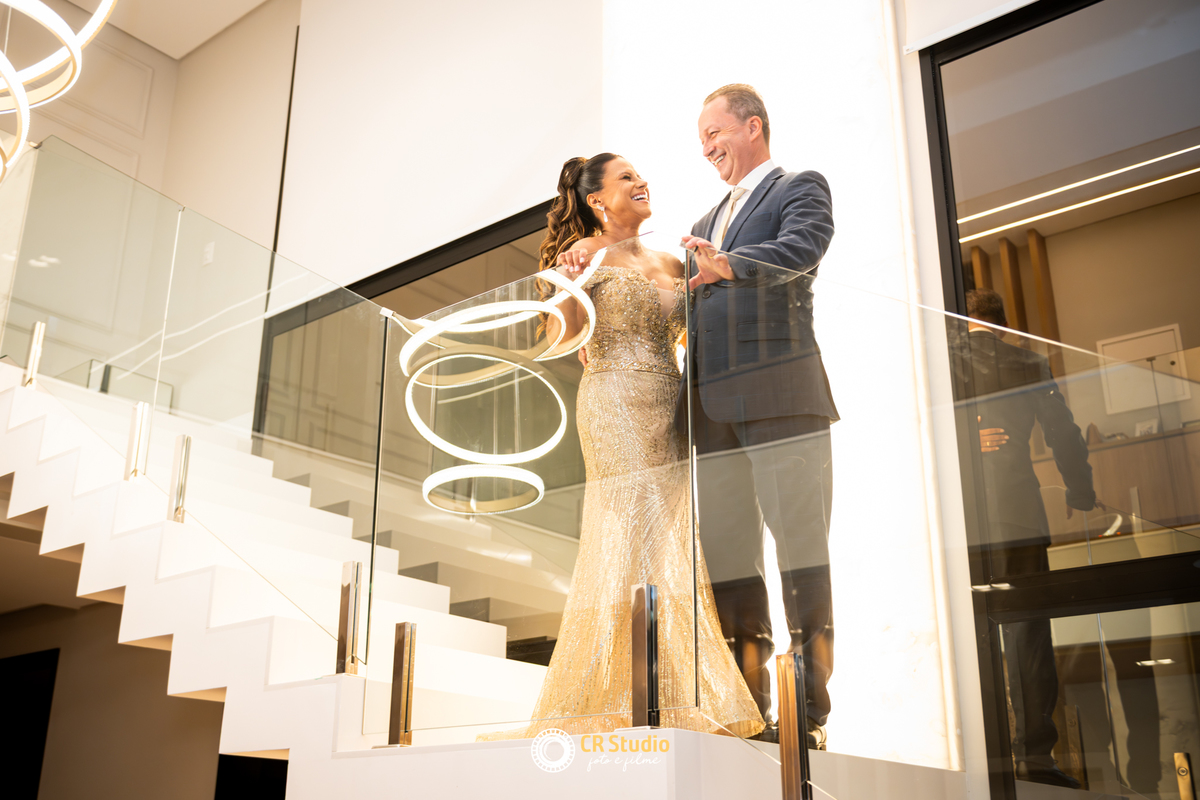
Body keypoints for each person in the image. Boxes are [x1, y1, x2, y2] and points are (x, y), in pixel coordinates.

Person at [482, 153, 764, 740]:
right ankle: (617, 695)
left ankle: (666, 694)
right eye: (627, 177)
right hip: (613, 403)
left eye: (641, 175)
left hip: (671, 405)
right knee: (628, 533)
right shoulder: (583, 254)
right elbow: (560, 338)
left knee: (667, 541)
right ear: (597, 200)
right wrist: (568, 284)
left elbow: (692, 335)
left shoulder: (672, 261)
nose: (641, 182)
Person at [679, 84, 837, 748]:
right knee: (729, 561)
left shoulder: (799, 186)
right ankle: (748, 708)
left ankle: (808, 713)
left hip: (781, 398)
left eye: (714, 133)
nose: (707, 148)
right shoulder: (706, 216)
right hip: (712, 411)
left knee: (800, 552)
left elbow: (804, 248)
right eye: (701, 140)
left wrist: (731, 265)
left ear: (753, 126)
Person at [956, 288, 1094, 788]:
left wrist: (960, 440)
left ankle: (974, 753)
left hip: (956, 518)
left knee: (964, 630)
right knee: (1028, 635)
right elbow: (1064, 432)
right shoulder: (1027, 361)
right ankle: (1034, 757)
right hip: (1017, 515)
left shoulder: (937, 363)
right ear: (1004, 326)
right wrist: (1081, 490)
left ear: (960, 321)